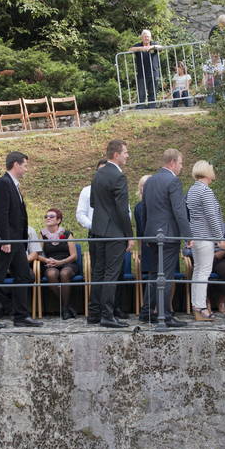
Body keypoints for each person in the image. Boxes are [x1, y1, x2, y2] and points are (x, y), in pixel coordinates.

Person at [0, 151, 42, 328]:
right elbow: (0, 214)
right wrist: (4, 240)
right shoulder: (3, 183)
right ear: (16, 164)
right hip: (5, 241)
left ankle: (21, 316)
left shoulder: (12, 184)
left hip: (16, 241)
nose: (26, 169)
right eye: (25, 165)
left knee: (24, 275)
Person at [138, 149, 191, 327]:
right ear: (173, 162)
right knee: (166, 276)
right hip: (168, 235)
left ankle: (147, 312)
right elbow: (179, 210)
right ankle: (165, 315)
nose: (181, 167)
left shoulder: (150, 181)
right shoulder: (173, 181)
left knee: (154, 273)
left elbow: (144, 209)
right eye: (181, 163)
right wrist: (188, 236)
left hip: (152, 234)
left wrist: (146, 234)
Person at [88, 140, 134, 328]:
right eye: (125, 152)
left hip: (98, 230)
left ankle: (94, 314)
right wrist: (129, 235)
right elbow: (123, 209)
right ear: (116, 154)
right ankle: (107, 315)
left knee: (99, 272)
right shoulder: (118, 176)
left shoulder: (98, 174)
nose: (127, 155)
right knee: (111, 274)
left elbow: (93, 203)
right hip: (114, 232)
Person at [77, 158, 128, 320]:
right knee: (102, 272)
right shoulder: (88, 189)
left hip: (106, 232)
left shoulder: (105, 183)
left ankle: (109, 309)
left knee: (110, 272)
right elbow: (81, 213)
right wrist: (95, 226)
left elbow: (125, 210)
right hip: (100, 233)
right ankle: (99, 311)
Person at [186, 160, 224, 321]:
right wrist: (219, 237)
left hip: (195, 236)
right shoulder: (205, 191)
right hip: (205, 236)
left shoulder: (192, 189)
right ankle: (201, 307)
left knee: (198, 271)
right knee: (204, 272)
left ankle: (197, 305)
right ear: (207, 172)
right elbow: (211, 215)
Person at [38, 208, 79, 320]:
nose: (48, 218)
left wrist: (60, 262)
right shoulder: (42, 234)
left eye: (51, 216)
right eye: (46, 216)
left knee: (64, 274)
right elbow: (37, 254)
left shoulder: (67, 234)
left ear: (59, 220)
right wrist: (47, 260)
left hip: (67, 262)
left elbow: (74, 255)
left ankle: (65, 308)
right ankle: (67, 306)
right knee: (51, 274)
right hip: (51, 263)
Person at [129, 29, 162, 108]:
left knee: (153, 93)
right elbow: (130, 50)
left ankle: (152, 108)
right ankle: (140, 109)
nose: (146, 38)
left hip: (154, 73)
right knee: (141, 94)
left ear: (150, 37)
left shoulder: (154, 44)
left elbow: (161, 47)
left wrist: (152, 47)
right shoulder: (138, 45)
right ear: (142, 37)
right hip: (142, 74)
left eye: (148, 37)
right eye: (145, 37)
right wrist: (141, 48)